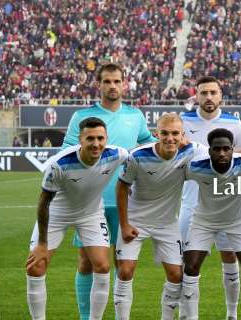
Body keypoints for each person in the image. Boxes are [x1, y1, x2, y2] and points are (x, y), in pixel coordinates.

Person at [62, 63, 156, 320]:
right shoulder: (82, 116)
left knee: (122, 265)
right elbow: (65, 151)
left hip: (125, 200)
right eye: (107, 82)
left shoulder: (135, 115)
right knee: (88, 262)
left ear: (124, 83)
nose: (112, 86)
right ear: (99, 84)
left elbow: (149, 144)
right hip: (90, 202)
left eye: (117, 81)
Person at [26, 117, 129, 320]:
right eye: (90, 139)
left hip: (90, 214)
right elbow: (44, 203)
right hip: (57, 215)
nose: (96, 144)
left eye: (100, 138)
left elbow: (141, 158)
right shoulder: (59, 164)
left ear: (106, 138)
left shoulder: (118, 154)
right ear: (80, 140)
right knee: (36, 266)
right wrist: (42, 244)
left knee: (102, 265)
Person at [179, 76, 241, 319]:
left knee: (229, 255)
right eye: (204, 93)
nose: (209, 97)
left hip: (227, 204)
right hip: (192, 203)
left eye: (213, 92)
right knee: (188, 264)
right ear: (197, 96)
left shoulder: (234, 124)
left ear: (221, 95)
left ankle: (232, 314)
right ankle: (186, 314)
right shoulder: (183, 122)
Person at [113, 114, 199, 320]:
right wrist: (124, 225)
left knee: (176, 275)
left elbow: (218, 154)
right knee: (125, 271)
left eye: (175, 133)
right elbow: (122, 187)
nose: (170, 138)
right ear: (156, 134)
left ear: (183, 135)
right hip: (135, 221)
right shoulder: (138, 156)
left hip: (167, 223)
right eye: (165, 133)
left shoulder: (191, 151)